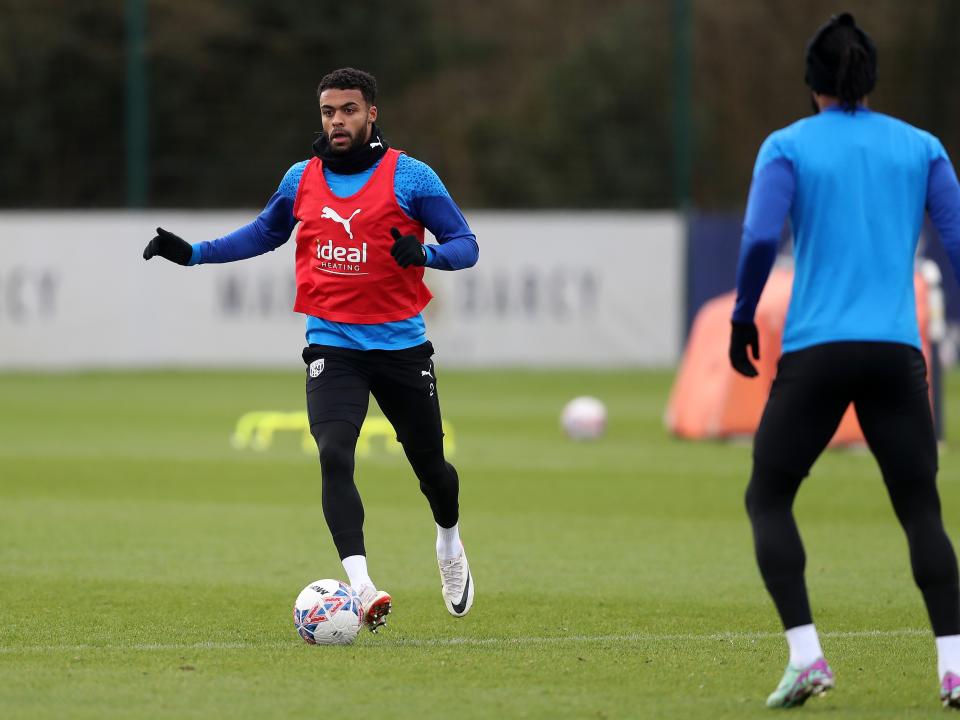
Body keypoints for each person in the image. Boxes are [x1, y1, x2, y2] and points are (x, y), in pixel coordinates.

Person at [144, 67, 478, 632]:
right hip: (332, 342)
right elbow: (262, 233)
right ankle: (362, 586)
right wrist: (193, 253)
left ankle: (448, 543)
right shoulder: (302, 177)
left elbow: (465, 246)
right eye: (328, 111)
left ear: (372, 112)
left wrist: (425, 257)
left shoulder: (411, 176)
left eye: (348, 109)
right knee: (333, 453)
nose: (337, 120)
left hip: (402, 346)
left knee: (432, 471)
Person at [729, 13, 960, 709]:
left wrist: (743, 317)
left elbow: (759, 239)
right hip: (897, 351)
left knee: (768, 496)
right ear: (871, 78)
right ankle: (954, 669)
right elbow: (955, 237)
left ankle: (807, 657)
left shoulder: (788, 146)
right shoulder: (920, 147)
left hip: (817, 351)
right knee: (922, 509)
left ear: (811, 83)